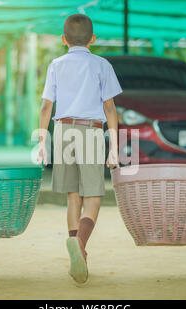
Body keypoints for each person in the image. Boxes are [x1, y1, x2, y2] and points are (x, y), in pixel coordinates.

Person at [37, 14, 122, 284]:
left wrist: (42, 141)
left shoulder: (56, 64)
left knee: (73, 196)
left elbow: (45, 107)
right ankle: (81, 245)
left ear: (63, 40)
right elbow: (109, 107)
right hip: (90, 131)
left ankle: (77, 251)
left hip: (62, 130)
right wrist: (115, 148)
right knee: (94, 196)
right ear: (93, 39)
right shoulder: (101, 64)